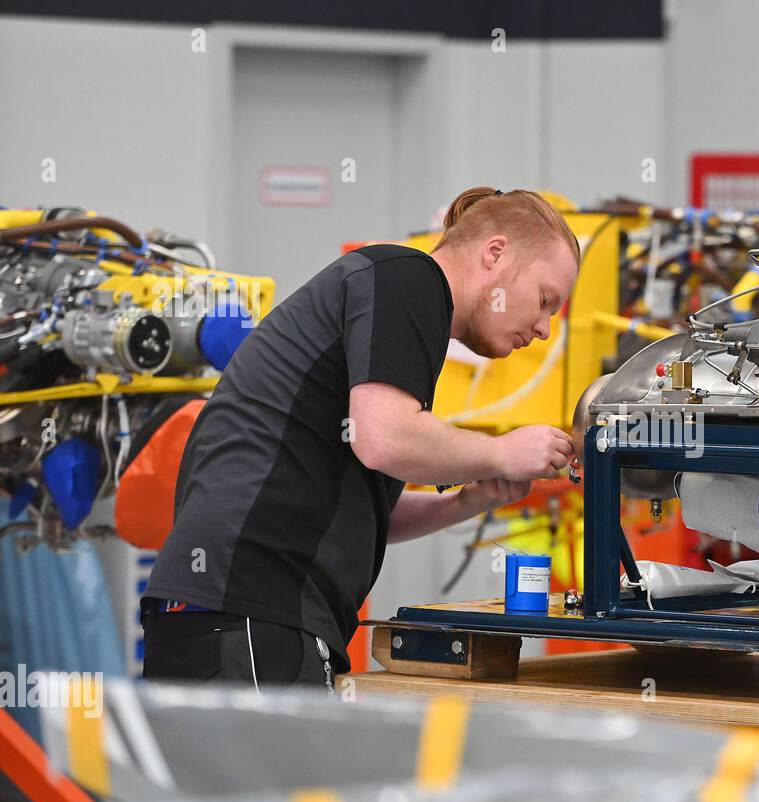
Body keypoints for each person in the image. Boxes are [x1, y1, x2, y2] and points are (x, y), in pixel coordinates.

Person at [140, 187, 579, 690]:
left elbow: (360, 511)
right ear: (495, 252)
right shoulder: (407, 277)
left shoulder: (396, 315)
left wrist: (464, 501)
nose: (544, 329)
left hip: (224, 619)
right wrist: (503, 451)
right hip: (251, 614)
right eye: (545, 301)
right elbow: (385, 441)